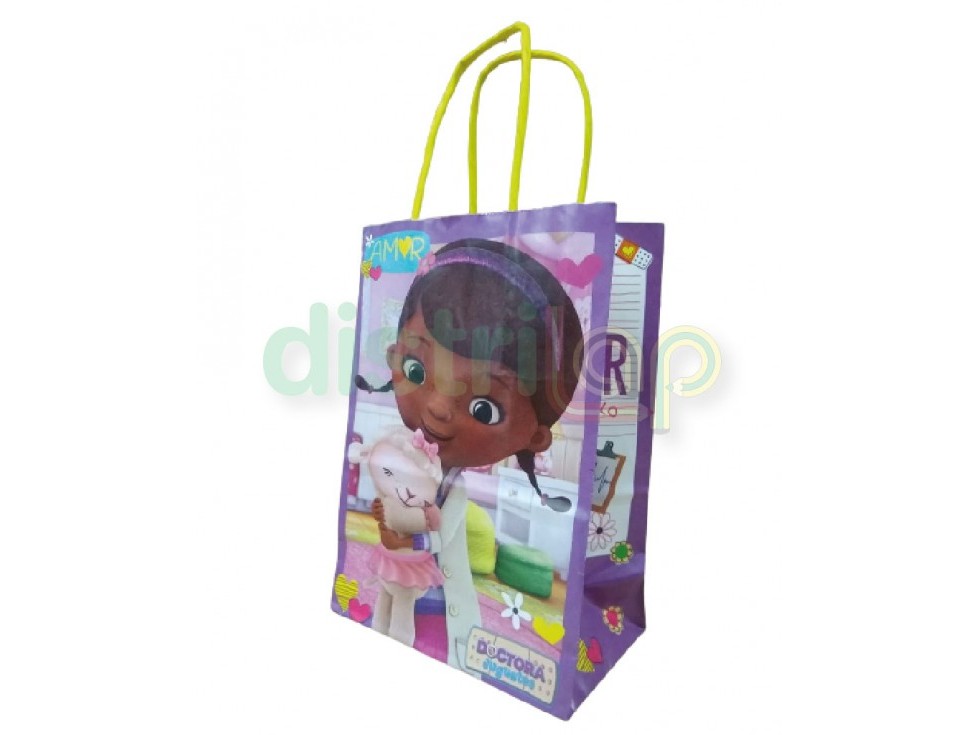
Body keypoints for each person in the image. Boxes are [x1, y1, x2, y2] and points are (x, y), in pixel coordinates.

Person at [358, 238, 584, 673]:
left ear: (537, 437)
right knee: (383, 618)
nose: (438, 408)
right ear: (393, 357)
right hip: (398, 577)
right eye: (416, 370)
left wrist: (408, 533)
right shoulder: (398, 452)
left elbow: (436, 535)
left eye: (484, 407)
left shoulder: (454, 492)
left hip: (443, 611)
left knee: (417, 635)